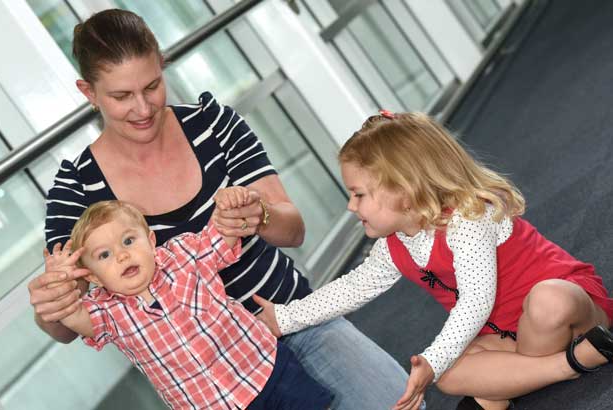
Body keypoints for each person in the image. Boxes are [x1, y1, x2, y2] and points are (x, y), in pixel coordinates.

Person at [27, 8, 410, 410]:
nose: (143, 108)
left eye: (153, 85)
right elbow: (65, 323)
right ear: (89, 93)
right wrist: (51, 306)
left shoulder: (215, 125)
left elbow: (293, 230)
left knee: (403, 403)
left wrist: (257, 214)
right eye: (122, 96)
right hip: (211, 381)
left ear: (164, 67)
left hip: (291, 317)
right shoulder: (76, 189)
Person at [254, 110, 613, 410]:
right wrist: (285, 317)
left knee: (549, 301)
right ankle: (569, 364)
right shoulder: (394, 245)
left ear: (405, 192)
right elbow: (352, 288)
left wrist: (434, 358)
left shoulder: (469, 218)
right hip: (509, 335)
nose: (351, 206)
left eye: (359, 194)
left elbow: (475, 303)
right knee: (450, 375)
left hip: (570, 310)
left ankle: (510, 385)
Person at [46, 195, 333, 409]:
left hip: (267, 371)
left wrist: (229, 206)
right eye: (104, 255)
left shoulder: (183, 254)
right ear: (93, 276)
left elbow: (222, 233)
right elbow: (72, 315)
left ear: (150, 239)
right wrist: (60, 281)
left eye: (129, 241)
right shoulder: (105, 311)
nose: (122, 255)